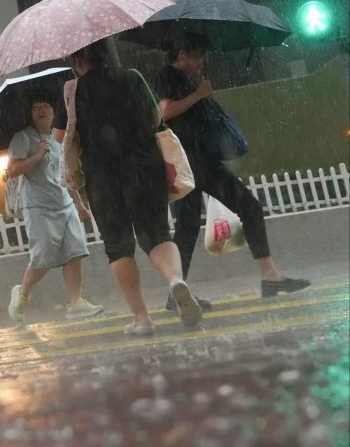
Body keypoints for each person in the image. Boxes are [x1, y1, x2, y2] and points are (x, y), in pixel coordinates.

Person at [53, 39, 202, 335]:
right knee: (157, 234)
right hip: (146, 167)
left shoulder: (73, 89)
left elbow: (60, 136)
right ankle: (175, 280)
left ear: (78, 60)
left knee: (118, 247)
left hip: (103, 177)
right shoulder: (133, 77)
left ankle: (142, 319)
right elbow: (156, 116)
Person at [154, 32, 310, 307]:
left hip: (194, 161)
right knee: (248, 207)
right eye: (197, 56)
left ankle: (176, 293)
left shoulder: (185, 78)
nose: (202, 62)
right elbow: (164, 111)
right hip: (194, 162)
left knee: (188, 227)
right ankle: (269, 276)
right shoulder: (168, 75)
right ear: (182, 55)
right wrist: (199, 94)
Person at [6, 96, 104, 324]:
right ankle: (22, 294)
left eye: (45, 106)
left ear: (54, 111)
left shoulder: (59, 138)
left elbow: (65, 175)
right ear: (31, 113)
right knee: (43, 257)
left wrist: (78, 204)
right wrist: (38, 155)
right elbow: (12, 170)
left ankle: (75, 302)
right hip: (38, 206)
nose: (41, 110)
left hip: (64, 204)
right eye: (35, 107)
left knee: (74, 251)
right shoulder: (23, 137)